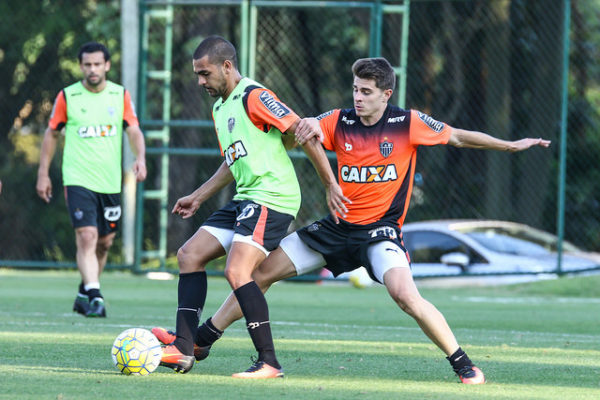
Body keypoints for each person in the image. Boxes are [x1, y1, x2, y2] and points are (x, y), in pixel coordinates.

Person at [154, 57, 551, 384]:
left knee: (405, 295)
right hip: (335, 230)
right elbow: (301, 131)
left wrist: (510, 145)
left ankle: (463, 363)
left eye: (366, 92)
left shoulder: (406, 123)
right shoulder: (339, 120)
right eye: (355, 90)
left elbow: (460, 137)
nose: (358, 99)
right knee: (258, 275)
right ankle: (204, 338)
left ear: (386, 95)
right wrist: (299, 127)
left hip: (379, 233)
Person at [152, 36, 347, 378]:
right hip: (246, 197)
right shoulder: (219, 108)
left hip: (272, 197)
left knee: (237, 271)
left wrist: (331, 184)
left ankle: (269, 361)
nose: (200, 81)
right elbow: (232, 161)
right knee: (189, 254)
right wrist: (198, 195)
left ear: (227, 67)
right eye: (197, 74)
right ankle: (184, 349)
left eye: (205, 73)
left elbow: (304, 131)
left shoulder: (254, 96)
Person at [36, 42, 147, 318]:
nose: (92, 69)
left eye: (98, 64)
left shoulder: (119, 95)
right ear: (81, 66)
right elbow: (51, 134)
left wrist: (140, 157)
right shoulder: (68, 96)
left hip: (109, 181)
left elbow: (133, 130)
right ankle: (96, 297)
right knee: (87, 236)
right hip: (77, 178)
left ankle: (85, 290)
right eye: (87, 64)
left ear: (107, 65)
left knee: (105, 242)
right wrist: (43, 172)